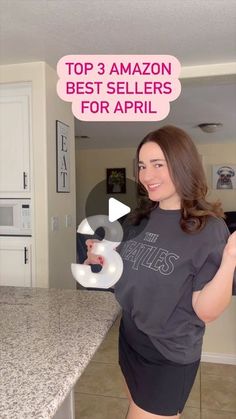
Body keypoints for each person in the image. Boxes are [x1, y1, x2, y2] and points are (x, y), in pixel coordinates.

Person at [85, 125, 236, 419]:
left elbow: (205, 311)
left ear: (182, 165)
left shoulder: (208, 229)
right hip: (130, 336)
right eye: (142, 166)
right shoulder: (139, 218)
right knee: (134, 408)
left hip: (167, 353)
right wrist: (103, 258)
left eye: (158, 164)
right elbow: (129, 270)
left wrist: (230, 261)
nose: (146, 176)